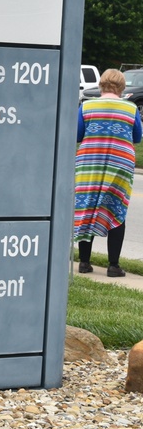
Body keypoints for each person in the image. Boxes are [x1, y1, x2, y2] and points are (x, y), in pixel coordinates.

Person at [74, 68, 143, 277]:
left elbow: (78, 134)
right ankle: (113, 265)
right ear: (122, 87)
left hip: (89, 165)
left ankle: (84, 263)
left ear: (102, 85)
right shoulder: (131, 109)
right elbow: (138, 137)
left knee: (87, 208)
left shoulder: (86, 106)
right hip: (120, 166)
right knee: (117, 210)